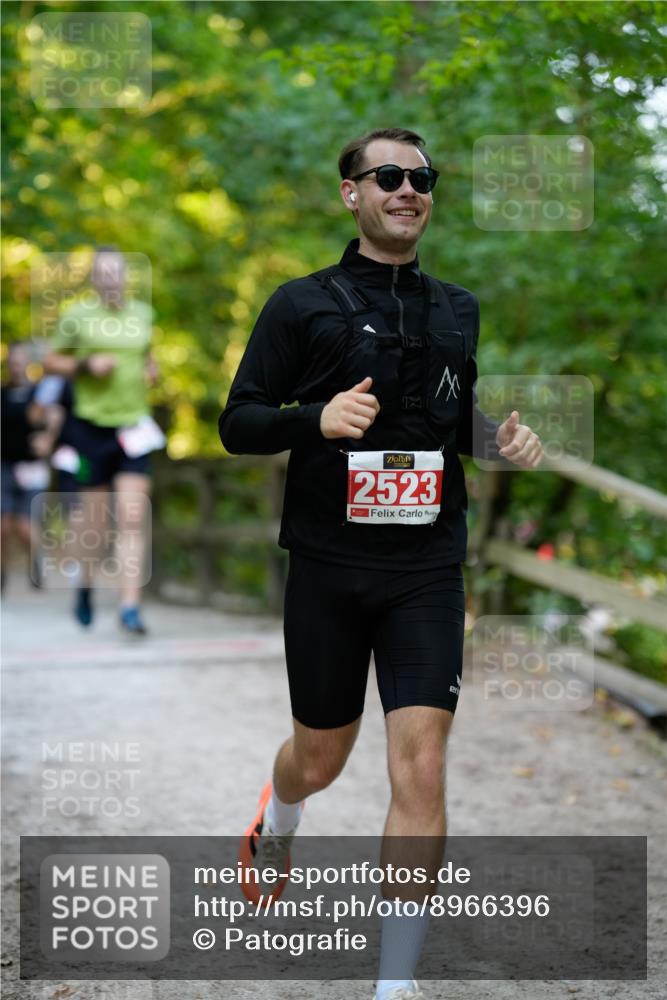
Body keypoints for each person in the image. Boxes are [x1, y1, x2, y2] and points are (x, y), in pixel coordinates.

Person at [218, 128, 543, 1000]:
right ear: (350, 194)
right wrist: (311, 420)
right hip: (328, 564)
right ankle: (278, 815)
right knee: (320, 759)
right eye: (388, 176)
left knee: (421, 766)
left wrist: (497, 441)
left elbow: (450, 420)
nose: (408, 189)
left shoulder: (456, 307)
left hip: (426, 568)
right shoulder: (300, 304)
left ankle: (395, 984)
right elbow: (237, 421)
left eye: (422, 178)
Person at [44, 247, 163, 635]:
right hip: (88, 428)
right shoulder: (76, 317)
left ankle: (129, 607)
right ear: (94, 279)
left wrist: (150, 368)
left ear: (126, 276)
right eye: (104, 273)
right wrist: (85, 363)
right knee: (93, 524)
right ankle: (85, 586)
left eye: (117, 272)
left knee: (131, 516)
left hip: (132, 428)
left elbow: (146, 353)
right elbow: (49, 361)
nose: (111, 278)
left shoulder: (142, 315)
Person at [1, 342, 50, 590]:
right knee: (2, 525)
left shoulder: (39, 394)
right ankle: (2, 572)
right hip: (5, 466)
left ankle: (37, 561)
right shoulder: (2, 394)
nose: (16, 365)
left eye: (20, 360)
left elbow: (54, 418)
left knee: (24, 524)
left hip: (32, 468)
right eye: (13, 360)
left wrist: (47, 439)